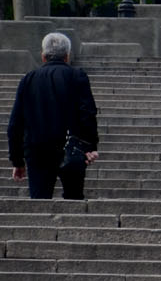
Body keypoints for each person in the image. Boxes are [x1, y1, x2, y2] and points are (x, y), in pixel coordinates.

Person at [8, 32, 99, 200]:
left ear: (43, 56)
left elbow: (15, 123)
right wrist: (90, 146)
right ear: (67, 56)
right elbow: (88, 113)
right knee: (74, 198)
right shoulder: (77, 76)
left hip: (37, 150)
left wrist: (17, 160)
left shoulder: (28, 79)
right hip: (71, 147)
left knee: (40, 201)